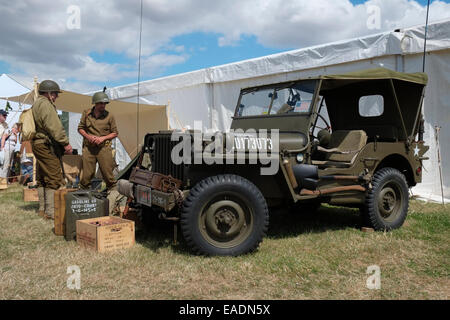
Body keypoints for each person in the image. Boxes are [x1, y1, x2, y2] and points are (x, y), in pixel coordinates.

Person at [32, 80, 73, 220]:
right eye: (55, 93)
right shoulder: (45, 104)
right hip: (45, 145)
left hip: (38, 144)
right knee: (54, 178)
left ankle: (43, 209)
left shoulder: (37, 103)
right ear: (49, 93)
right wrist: (65, 143)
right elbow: (54, 126)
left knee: (43, 177)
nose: (56, 96)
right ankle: (51, 213)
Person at [78, 91, 118, 193]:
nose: (103, 106)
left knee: (108, 175)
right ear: (95, 103)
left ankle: (113, 197)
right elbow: (80, 128)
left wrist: (102, 138)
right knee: (87, 175)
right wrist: (88, 137)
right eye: (100, 103)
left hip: (104, 148)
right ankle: (84, 197)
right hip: (89, 148)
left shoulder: (109, 116)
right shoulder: (86, 114)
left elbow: (115, 133)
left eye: (104, 103)